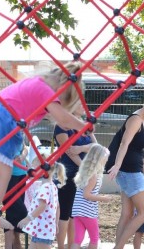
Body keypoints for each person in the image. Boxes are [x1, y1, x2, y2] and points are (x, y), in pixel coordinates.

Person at [0, 62, 89, 230]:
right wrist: (83, 125)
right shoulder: (45, 90)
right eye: (62, 101)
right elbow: (62, 118)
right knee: (3, 174)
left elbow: (60, 117)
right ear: (62, 89)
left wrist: (73, 122)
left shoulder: (36, 83)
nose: (58, 104)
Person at [105, 90, 144, 249]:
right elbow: (124, 143)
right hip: (129, 171)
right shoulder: (136, 119)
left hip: (130, 170)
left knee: (127, 214)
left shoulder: (143, 119)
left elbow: (137, 143)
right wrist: (118, 166)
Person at [54, 100, 96, 249]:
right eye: (80, 104)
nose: (84, 107)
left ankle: (72, 245)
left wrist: (84, 146)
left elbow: (96, 147)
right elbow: (70, 152)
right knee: (65, 212)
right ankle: (60, 246)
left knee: (74, 214)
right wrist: (85, 170)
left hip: (82, 173)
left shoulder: (83, 125)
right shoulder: (61, 127)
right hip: (67, 173)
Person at [17, 149, 66, 249]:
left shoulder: (45, 188)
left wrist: (27, 219)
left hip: (42, 230)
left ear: (43, 170)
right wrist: (56, 224)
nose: (33, 171)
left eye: (35, 169)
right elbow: (58, 207)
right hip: (41, 230)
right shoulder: (52, 186)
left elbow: (42, 206)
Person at [69, 144, 112, 249]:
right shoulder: (94, 175)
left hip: (77, 211)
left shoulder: (86, 172)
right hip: (87, 211)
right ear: (99, 159)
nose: (107, 160)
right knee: (94, 239)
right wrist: (103, 198)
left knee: (77, 239)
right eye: (105, 157)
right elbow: (87, 195)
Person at [4, 142, 30, 249]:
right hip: (8, 176)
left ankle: (15, 241)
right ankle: (10, 245)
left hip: (21, 175)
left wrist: (23, 155)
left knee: (14, 214)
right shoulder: (3, 132)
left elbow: (24, 147)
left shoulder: (19, 131)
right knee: (20, 211)